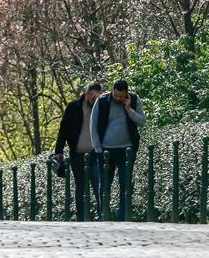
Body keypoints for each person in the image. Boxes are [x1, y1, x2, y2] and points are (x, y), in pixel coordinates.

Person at [90, 79, 145, 221]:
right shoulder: (102, 101)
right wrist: (97, 148)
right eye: (116, 95)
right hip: (106, 150)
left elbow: (142, 121)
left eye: (122, 96)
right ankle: (105, 215)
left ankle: (123, 216)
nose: (119, 98)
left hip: (127, 150)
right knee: (105, 184)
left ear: (126, 93)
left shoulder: (134, 99)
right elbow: (93, 124)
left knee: (125, 183)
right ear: (112, 91)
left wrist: (129, 110)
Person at [53, 83, 103, 221]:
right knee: (80, 187)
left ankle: (103, 215)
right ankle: (81, 217)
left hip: (95, 154)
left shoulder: (100, 107)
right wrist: (59, 150)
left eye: (98, 97)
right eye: (93, 97)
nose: (95, 100)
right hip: (77, 153)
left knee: (98, 183)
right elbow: (63, 129)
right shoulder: (73, 107)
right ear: (86, 94)